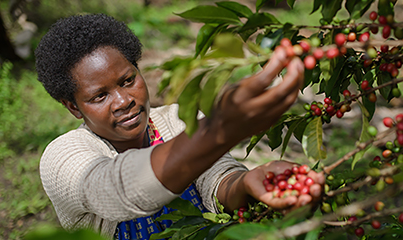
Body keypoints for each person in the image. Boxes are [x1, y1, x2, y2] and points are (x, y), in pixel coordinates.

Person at [35, 13, 324, 240]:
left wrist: (246, 183)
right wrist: (220, 130)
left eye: (127, 80)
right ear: (73, 106)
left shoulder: (174, 120)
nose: (123, 101)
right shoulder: (62, 158)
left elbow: (217, 182)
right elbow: (116, 189)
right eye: (100, 96)